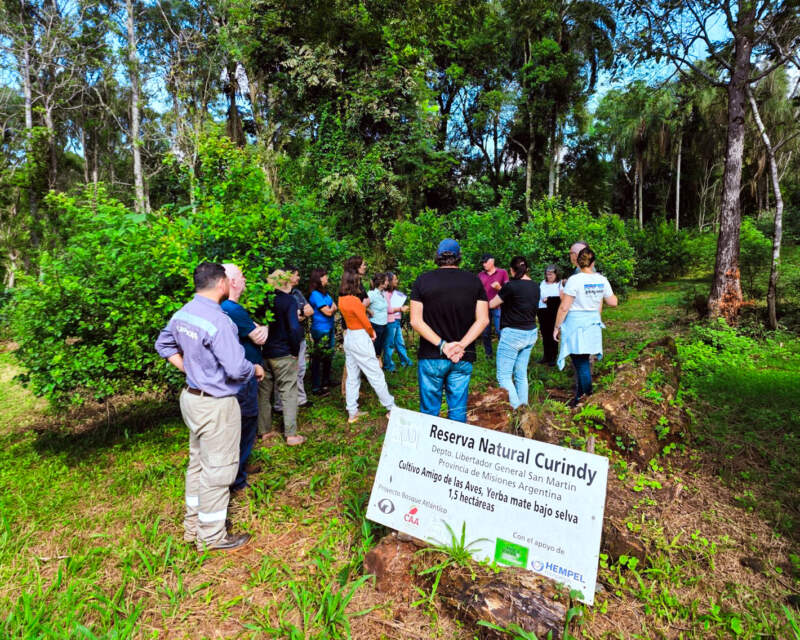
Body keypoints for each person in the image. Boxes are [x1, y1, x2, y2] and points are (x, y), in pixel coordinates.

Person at [155, 261, 264, 552]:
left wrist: (191, 371)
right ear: (220, 284)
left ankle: (193, 525)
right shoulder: (219, 321)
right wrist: (253, 369)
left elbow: (164, 346)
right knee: (219, 469)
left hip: (191, 399)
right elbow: (235, 368)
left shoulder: (182, 314)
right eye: (230, 280)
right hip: (216, 404)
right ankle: (212, 535)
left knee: (198, 464)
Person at [410, 239, 489, 423]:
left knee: (429, 413)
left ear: (438, 256)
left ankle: (430, 449)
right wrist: (461, 345)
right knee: (458, 412)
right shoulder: (474, 281)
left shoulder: (423, 280)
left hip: (432, 356)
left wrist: (443, 345)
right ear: (458, 257)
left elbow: (415, 320)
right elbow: (483, 319)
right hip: (462, 355)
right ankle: (453, 451)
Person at [220, 263, 268, 494]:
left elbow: (256, 332)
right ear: (233, 282)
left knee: (240, 424)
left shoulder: (225, 308)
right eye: (241, 275)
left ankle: (240, 469)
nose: (245, 278)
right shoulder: (232, 309)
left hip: (241, 373)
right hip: (243, 375)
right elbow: (259, 337)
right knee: (246, 422)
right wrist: (263, 329)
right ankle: (237, 478)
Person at [554, 247, 618, 407]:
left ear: (579, 261)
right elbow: (613, 302)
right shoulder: (602, 280)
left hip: (576, 325)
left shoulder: (574, 280)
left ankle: (588, 396)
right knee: (582, 360)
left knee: (581, 362)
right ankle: (579, 399)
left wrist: (557, 327)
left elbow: (564, 307)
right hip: (592, 324)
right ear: (593, 262)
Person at [338, 271, 395, 423]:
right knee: (375, 373)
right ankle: (391, 407)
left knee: (352, 375)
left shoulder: (341, 299)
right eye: (358, 282)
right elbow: (364, 320)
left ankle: (352, 412)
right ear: (353, 283)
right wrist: (371, 332)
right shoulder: (354, 301)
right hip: (360, 337)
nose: (360, 285)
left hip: (349, 336)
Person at [259, 269, 306, 445]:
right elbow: (294, 328)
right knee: (289, 392)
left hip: (265, 353)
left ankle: (264, 431)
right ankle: (291, 434)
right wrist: (295, 350)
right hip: (284, 353)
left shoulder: (263, 301)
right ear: (286, 282)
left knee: (264, 393)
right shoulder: (288, 301)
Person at [490, 256, 540, 409]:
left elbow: (492, 304)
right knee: (520, 374)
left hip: (513, 335)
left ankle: (519, 410)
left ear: (512, 270)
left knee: (503, 376)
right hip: (530, 333)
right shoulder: (535, 286)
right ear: (527, 269)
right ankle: (525, 410)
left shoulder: (510, 286)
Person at [274, 267, 313, 412]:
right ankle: (280, 405)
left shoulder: (297, 293)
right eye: (297, 275)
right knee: (283, 372)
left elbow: (310, 311)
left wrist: (299, 313)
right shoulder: (276, 296)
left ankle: (300, 399)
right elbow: (286, 319)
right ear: (288, 276)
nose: (299, 278)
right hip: (284, 340)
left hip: (299, 338)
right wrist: (296, 314)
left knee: (301, 368)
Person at [308, 268, 337, 396]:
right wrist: (332, 309)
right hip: (320, 329)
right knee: (318, 357)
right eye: (325, 276)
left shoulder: (325, 294)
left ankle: (326, 381)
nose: (327, 278)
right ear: (319, 278)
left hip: (329, 327)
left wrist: (331, 308)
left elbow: (336, 306)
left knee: (328, 355)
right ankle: (316, 387)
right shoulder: (315, 294)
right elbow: (328, 311)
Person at [478, 253, 509, 358]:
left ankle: (503, 354)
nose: (484, 264)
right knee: (485, 333)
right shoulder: (480, 275)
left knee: (500, 331)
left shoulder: (502, 272)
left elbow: (508, 291)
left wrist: (499, 287)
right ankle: (488, 354)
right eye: (482, 262)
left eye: (485, 262)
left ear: (492, 261)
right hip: (484, 308)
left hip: (498, 307)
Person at [382, 272, 412, 372]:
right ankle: (388, 366)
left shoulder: (396, 293)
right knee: (389, 344)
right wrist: (400, 309)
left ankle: (406, 362)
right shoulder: (385, 294)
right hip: (390, 321)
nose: (397, 281)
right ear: (389, 281)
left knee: (400, 343)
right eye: (395, 279)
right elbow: (387, 309)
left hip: (397, 320)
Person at [537, 265, 562, 366]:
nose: (549, 276)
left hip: (554, 312)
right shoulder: (543, 283)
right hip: (542, 310)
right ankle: (546, 356)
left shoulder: (560, 284)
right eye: (548, 274)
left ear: (556, 274)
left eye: (551, 274)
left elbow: (562, 298)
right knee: (544, 333)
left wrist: (549, 299)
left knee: (553, 334)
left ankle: (553, 357)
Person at [367, 272, 389, 361]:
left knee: (380, 348)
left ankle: (377, 367)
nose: (388, 282)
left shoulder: (382, 293)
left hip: (383, 324)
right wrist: (368, 310)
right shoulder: (372, 294)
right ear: (381, 282)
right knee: (374, 349)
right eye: (386, 281)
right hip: (375, 324)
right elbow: (360, 305)